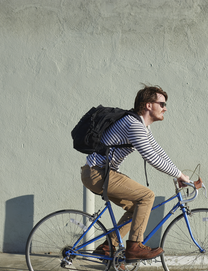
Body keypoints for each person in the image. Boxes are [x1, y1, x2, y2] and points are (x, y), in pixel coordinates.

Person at [81, 85, 190, 261]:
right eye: (162, 104)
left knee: (137, 211)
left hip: (99, 173)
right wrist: (178, 175)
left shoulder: (141, 126)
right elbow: (151, 158)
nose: (165, 108)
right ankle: (135, 247)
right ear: (148, 105)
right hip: (97, 173)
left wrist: (180, 174)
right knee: (147, 196)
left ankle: (108, 246)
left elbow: (158, 152)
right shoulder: (134, 125)